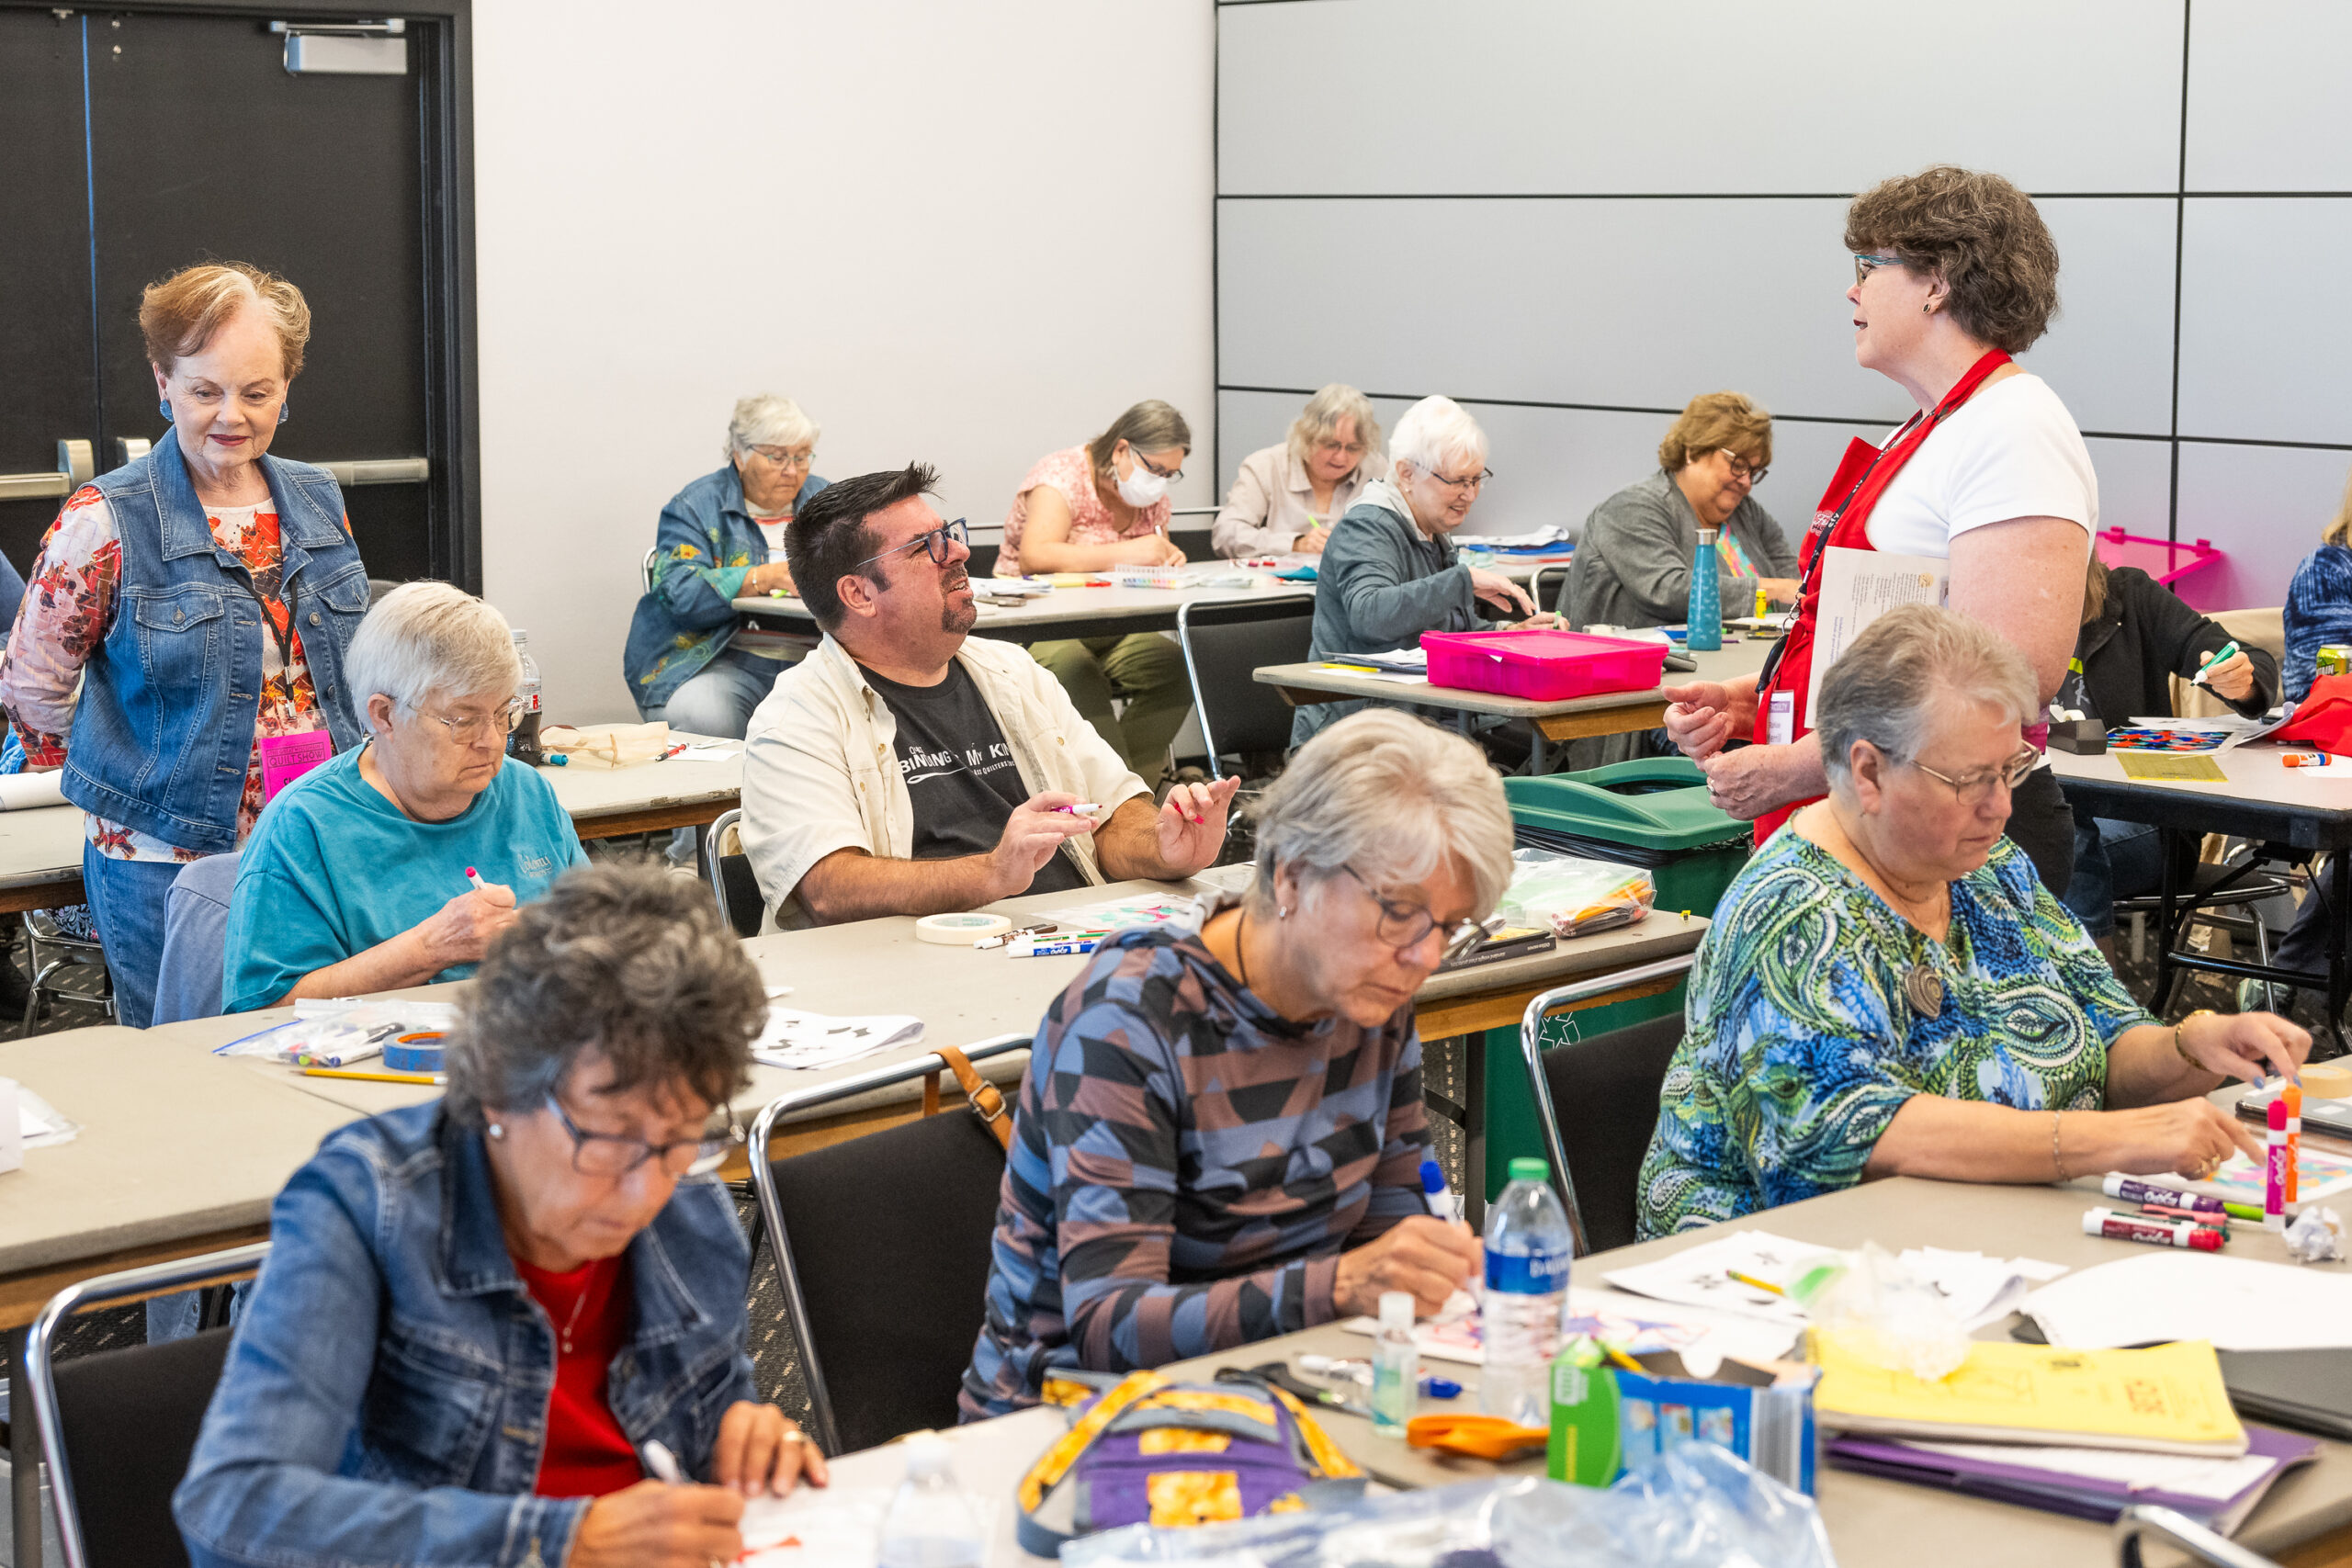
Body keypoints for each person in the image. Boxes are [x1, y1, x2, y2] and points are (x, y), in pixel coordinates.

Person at [176, 866, 821, 1568]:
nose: (644, 1193)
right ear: (497, 1090)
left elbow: (710, 1411)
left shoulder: (688, 1205)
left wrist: (743, 1432)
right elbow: (233, 1510)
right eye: (608, 1141)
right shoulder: (370, 1206)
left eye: (681, 1140)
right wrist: (559, 1542)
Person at [1637, 606, 2308, 1237]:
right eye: (1969, 780)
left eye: (2009, 770)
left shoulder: (1987, 870)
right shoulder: (1793, 909)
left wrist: (2199, 1044)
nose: (2000, 807)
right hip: (1783, 1285)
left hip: (1980, 1243)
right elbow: (1853, 1133)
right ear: (1868, 770)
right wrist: (2110, 1141)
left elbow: (2111, 1038)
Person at [959, 709, 1504, 1416]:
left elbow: (1393, 1226)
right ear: (1292, 875)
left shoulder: (1369, 996)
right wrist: (1341, 1285)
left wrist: (1427, 1269)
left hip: (1277, 1390)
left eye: (1450, 928)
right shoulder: (1129, 1025)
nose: (1425, 957)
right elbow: (1110, 1327)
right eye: (1399, 913)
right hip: (1080, 1426)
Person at [1660, 165, 2094, 896]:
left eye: (1870, 265)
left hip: (1953, 837)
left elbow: (2010, 678)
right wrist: (1762, 701)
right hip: (1876, 819)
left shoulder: (2014, 427)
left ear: (1939, 281)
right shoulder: (1928, 427)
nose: (1852, 289)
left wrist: (1800, 761)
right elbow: (1875, 635)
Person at [0, 261, 367, 1028]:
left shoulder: (316, 496)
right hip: (163, 864)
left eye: (257, 393)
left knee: (314, 1047)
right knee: (190, 1071)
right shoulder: (104, 519)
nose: (231, 414)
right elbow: (33, 689)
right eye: (205, 391)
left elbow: (342, 663)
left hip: (313, 842)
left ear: (287, 387)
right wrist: (131, 776)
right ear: (162, 381)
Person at [741, 464, 1238, 928]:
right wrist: (992, 874)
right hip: (920, 966)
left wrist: (1164, 848)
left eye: (949, 534)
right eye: (927, 546)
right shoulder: (797, 717)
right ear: (859, 594)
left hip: (1060, 936)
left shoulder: (1012, 671)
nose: (959, 552)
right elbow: (828, 886)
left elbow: (1108, 816)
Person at [221, 583, 589, 1011]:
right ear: (384, 715)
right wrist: (431, 947)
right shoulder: (305, 824)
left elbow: (599, 936)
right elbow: (259, 1012)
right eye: (464, 721)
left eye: (504, 712)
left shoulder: (528, 793)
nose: (491, 741)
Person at [2056, 555, 2275, 956]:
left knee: (2057, 839)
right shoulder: (1980, 605)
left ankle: (2097, 1008)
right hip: (2034, 809)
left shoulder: (2128, 596)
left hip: (2142, 820)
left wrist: (2241, 681)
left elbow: (2248, 661)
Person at [1293, 395, 1541, 748]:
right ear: (1407, 474)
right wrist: (1462, 580)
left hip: (1421, 722)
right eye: (1457, 481)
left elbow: (1444, 632)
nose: (1470, 495)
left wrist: (1510, 632)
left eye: (1476, 479)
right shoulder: (1367, 526)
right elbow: (1371, 615)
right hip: (1357, 737)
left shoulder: (1431, 529)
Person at [1000, 400, 1197, 776]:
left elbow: (1153, 557)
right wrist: (1129, 551)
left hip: (1110, 624)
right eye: (1154, 468)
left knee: (1176, 666)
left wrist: (1165, 561)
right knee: (1074, 670)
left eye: (1171, 473)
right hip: (1040, 625)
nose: (1159, 480)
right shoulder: (1060, 477)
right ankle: (1117, 796)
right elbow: (1036, 556)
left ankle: (1134, 789)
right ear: (1121, 449)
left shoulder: (1151, 499)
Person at [623, 393, 830, 738]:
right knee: (710, 716)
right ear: (740, 455)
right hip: (720, 662)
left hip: (814, 662)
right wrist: (763, 577)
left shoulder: (828, 503)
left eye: (801, 456)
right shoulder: (695, 506)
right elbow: (682, 594)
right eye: (777, 457)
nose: (792, 470)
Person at [1563, 391, 1798, 631]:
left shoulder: (1748, 514)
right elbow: (1667, 590)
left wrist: (1790, 590)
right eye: (1738, 465)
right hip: (1636, 663)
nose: (1746, 482)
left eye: (1754, 471)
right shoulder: (1631, 507)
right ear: (1693, 452)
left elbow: (1798, 581)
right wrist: (1773, 590)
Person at [2251, 466, 2352, 1011]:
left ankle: (2292, 979)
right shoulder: (2330, 567)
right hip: (2329, 754)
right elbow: (2324, 687)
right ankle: (2299, 982)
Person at [1211, 384, 1387, 558]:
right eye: (1331, 445)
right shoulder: (1266, 466)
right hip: (1278, 584)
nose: (1341, 457)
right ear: (1306, 437)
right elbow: (1226, 535)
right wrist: (1295, 544)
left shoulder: (1375, 469)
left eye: (1353, 448)